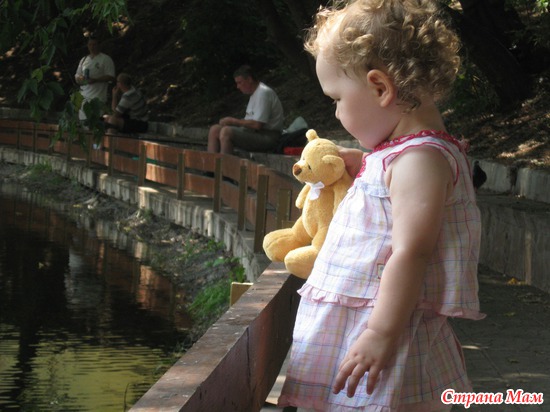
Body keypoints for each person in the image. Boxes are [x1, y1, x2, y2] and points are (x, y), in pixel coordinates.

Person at [278, 1, 484, 411]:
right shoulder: (402, 155)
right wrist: (364, 164)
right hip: (364, 327)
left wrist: (380, 333)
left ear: (379, 88)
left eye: (337, 98)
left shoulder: (419, 161)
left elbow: (412, 251)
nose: (337, 111)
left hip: (384, 336)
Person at [207, 65, 284, 154]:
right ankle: (210, 162)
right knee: (214, 130)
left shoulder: (263, 93)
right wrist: (231, 123)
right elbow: (250, 121)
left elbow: (257, 125)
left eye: (240, 82)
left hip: (268, 137)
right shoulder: (254, 94)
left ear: (249, 79)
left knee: (226, 132)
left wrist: (233, 121)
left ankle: (224, 162)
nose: (237, 86)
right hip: (254, 133)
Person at [74, 34, 116, 121]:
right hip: (84, 98)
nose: (92, 47)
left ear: (99, 45)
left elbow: (111, 76)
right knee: (84, 122)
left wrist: (96, 80)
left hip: (98, 98)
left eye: (94, 44)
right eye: (90, 45)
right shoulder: (84, 59)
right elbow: (77, 76)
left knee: (96, 122)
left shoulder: (105, 59)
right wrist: (80, 79)